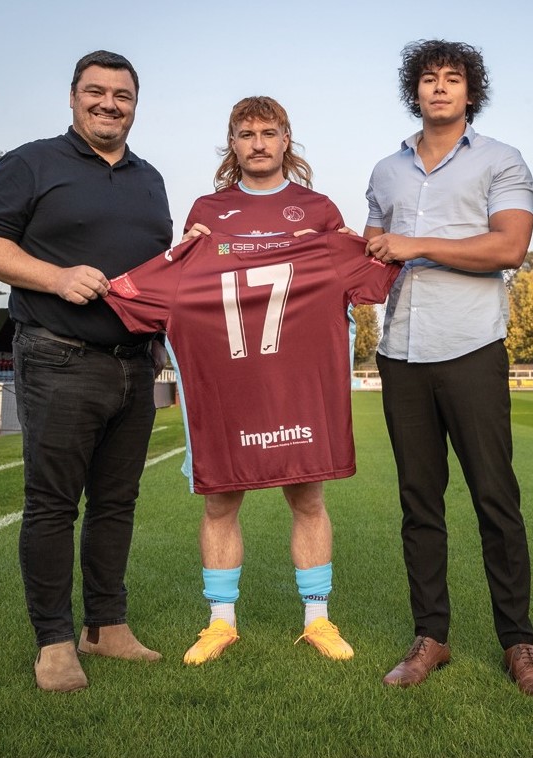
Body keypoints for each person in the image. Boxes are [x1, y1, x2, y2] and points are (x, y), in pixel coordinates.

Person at [0, 51, 175, 692]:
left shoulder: (150, 178)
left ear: (136, 104)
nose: (109, 104)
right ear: (74, 97)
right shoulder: (31, 162)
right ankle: (54, 641)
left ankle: (106, 626)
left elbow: (156, 269)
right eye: (97, 92)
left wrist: (165, 333)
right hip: (58, 355)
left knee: (117, 503)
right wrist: (56, 277)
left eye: (123, 95)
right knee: (53, 505)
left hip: (135, 366)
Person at [364, 40, 533, 700]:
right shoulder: (385, 172)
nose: (440, 88)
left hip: (472, 347)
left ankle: (519, 643)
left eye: (453, 79)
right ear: (413, 91)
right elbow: (371, 262)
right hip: (400, 354)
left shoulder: (502, 160)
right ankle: (431, 638)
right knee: (419, 504)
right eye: (428, 79)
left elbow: (509, 246)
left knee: (495, 501)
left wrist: (414, 244)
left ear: (470, 92)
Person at [161, 96, 383, 665]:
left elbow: (367, 275)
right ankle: (220, 622)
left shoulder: (318, 209)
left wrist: (373, 247)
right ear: (231, 143)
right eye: (245, 133)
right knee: (219, 502)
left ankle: (317, 618)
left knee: (307, 495)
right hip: (231, 385)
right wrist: (176, 256)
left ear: (287, 139)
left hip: (295, 384)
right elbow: (186, 290)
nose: (257, 143)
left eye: (268, 132)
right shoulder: (209, 210)